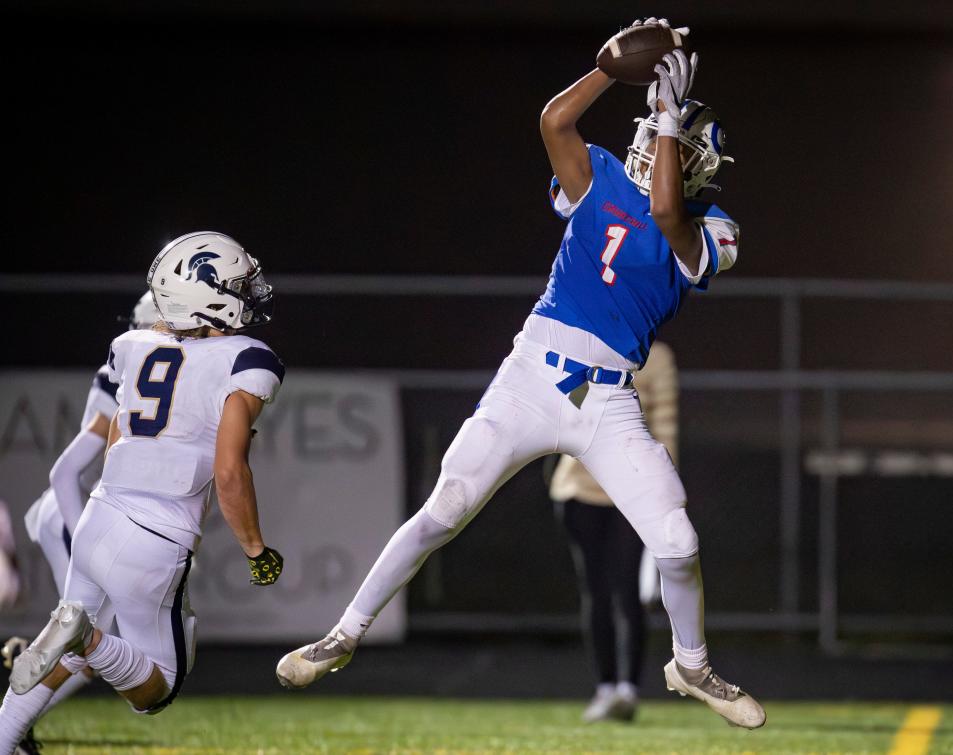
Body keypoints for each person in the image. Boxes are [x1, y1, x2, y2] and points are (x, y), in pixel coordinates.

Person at [277, 18, 765, 729]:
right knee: (443, 507)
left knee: (677, 542)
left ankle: (691, 666)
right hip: (531, 374)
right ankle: (344, 632)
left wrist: (665, 120)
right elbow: (553, 119)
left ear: (694, 164)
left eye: (671, 146)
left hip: (606, 398)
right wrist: (606, 68)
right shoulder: (597, 173)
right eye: (658, 134)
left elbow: (663, 208)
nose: (653, 146)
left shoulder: (711, 226)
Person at [0, 232, 286, 754]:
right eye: (239, 283)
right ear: (208, 294)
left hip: (100, 514)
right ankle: (84, 637)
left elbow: (117, 439)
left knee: (67, 650)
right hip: (156, 535)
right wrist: (255, 550)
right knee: (156, 689)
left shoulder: (132, 346)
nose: (251, 291)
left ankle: (5, 736)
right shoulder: (247, 358)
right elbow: (229, 471)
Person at [0, 292, 160, 755]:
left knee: (90, 648)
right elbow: (66, 471)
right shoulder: (138, 367)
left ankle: (16, 706)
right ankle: (12, 720)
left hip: (84, 513)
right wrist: (92, 546)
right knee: (87, 648)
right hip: (80, 513)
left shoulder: (144, 366)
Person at [550, 340, 678, 722]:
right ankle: (605, 688)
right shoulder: (587, 346)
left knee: (628, 589)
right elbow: (566, 410)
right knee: (596, 590)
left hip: (631, 491)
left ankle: (628, 691)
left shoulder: (659, 358)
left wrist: (663, 487)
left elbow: (666, 425)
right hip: (578, 489)